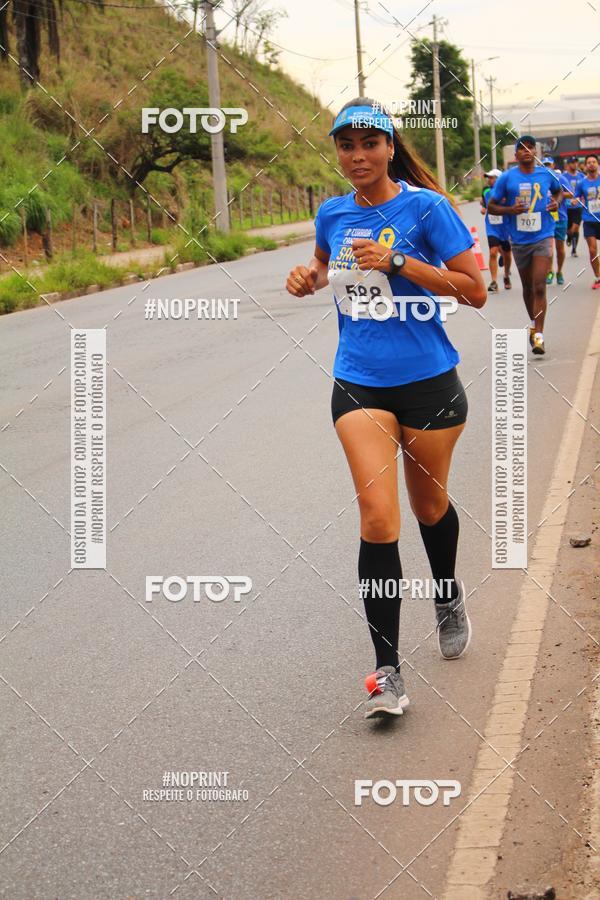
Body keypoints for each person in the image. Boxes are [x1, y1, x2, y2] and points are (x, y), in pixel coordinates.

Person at [285, 98, 486, 720]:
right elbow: (324, 264)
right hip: (359, 382)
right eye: (346, 145)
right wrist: (308, 277)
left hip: (429, 382)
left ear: (390, 148)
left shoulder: (427, 209)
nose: (357, 156)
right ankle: (387, 673)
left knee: (429, 506)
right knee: (377, 517)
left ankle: (447, 593)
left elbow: (475, 290)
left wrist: (399, 261)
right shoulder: (332, 213)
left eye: (369, 143)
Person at [487, 135, 561, 355]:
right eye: (522, 148)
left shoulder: (546, 174)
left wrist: (556, 202)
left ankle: (539, 335)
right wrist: (510, 210)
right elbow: (491, 207)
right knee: (528, 288)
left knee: (539, 286)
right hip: (519, 241)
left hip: (543, 236)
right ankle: (533, 324)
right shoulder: (507, 178)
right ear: (516, 154)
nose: (527, 151)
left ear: (535, 152)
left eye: (530, 147)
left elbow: (558, 192)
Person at [480, 168, 512, 292]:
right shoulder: (486, 190)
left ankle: (506, 275)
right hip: (492, 226)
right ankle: (493, 282)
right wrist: (484, 207)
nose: (489, 180)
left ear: (499, 179)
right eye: (488, 177)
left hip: (505, 227)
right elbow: (485, 201)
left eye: (492, 177)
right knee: (493, 252)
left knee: (507, 254)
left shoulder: (507, 191)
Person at [575, 154, 600, 289]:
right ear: (585, 166)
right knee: (592, 250)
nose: (591, 164)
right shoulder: (581, 183)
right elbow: (576, 197)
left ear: (598, 164)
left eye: (594, 162)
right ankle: (598, 277)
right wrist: (575, 201)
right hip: (589, 220)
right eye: (589, 162)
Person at [542, 157, 567, 285]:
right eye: (544, 164)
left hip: (560, 217)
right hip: (547, 218)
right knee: (549, 248)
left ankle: (559, 271)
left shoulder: (560, 178)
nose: (547, 167)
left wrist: (556, 196)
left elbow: (570, 193)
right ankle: (549, 271)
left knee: (560, 248)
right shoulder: (540, 179)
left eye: (549, 164)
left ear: (553, 165)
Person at [562, 156, 584, 257]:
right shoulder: (563, 177)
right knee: (568, 229)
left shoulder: (581, 176)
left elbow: (584, 190)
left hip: (578, 207)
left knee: (576, 227)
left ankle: (574, 250)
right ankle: (569, 236)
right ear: (568, 164)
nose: (575, 164)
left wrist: (581, 199)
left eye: (576, 162)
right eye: (572, 162)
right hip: (566, 207)